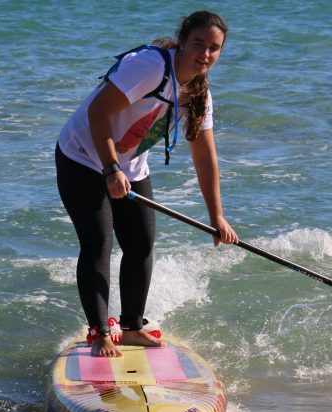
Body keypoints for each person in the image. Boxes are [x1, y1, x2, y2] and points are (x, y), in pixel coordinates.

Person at [55, 10, 238, 357]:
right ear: (183, 41)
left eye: (214, 48)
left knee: (140, 243)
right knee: (99, 243)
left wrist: (218, 217)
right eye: (198, 44)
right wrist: (110, 169)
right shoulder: (150, 66)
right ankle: (99, 333)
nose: (205, 54)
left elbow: (204, 158)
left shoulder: (199, 94)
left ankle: (132, 326)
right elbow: (98, 112)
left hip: (130, 167)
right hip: (82, 156)